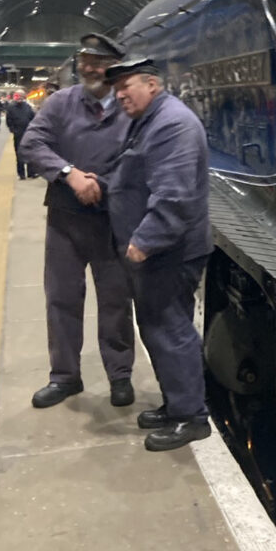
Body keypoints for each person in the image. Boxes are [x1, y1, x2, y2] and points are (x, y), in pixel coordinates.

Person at [19, 34, 136, 409]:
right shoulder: (61, 102)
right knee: (61, 298)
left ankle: (120, 375)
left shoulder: (130, 106)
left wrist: (101, 184)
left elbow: (141, 157)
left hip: (113, 220)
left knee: (116, 301)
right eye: (84, 60)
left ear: (115, 67)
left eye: (97, 62)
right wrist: (70, 174)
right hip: (65, 220)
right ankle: (65, 377)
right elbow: (32, 144)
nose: (88, 68)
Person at [104, 57, 212, 451]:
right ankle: (176, 404)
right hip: (158, 252)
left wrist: (145, 241)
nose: (119, 94)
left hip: (168, 251)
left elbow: (175, 195)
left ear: (152, 84)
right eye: (116, 88)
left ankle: (192, 418)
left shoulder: (171, 124)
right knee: (157, 329)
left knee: (171, 331)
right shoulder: (149, 120)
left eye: (126, 86)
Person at [6, 93, 35, 178]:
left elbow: (33, 118)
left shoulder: (28, 107)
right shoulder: (11, 108)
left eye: (21, 96)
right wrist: (13, 130)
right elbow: (9, 120)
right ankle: (21, 173)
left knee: (30, 153)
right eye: (18, 96)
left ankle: (31, 172)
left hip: (28, 133)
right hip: (18, 133)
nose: (19, 98)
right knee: (19, 153)